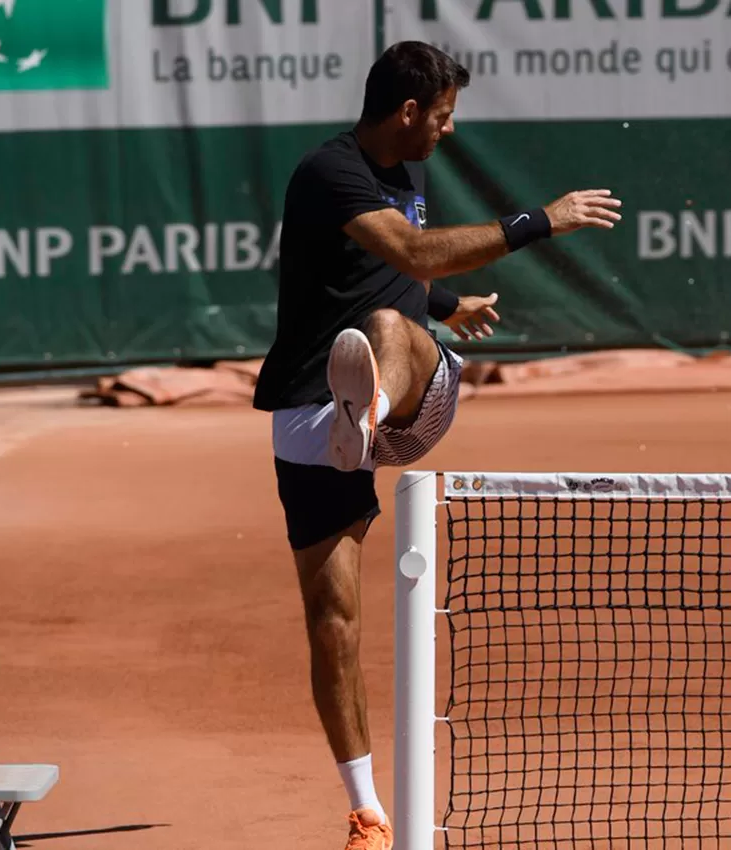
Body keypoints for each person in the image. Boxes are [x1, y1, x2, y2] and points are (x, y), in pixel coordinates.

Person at [250, 40, 623, 850]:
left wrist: (442, 308)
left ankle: (372, 406)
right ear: (409, 111)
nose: (448, 131)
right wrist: (538, 222)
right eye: (443, 116)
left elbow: (400, 276)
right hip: (308, 414)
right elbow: (405, 253)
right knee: (332, 619)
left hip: (412, 402)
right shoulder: (330, 171)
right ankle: (366, 810)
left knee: (389, 326)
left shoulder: (406, 171)